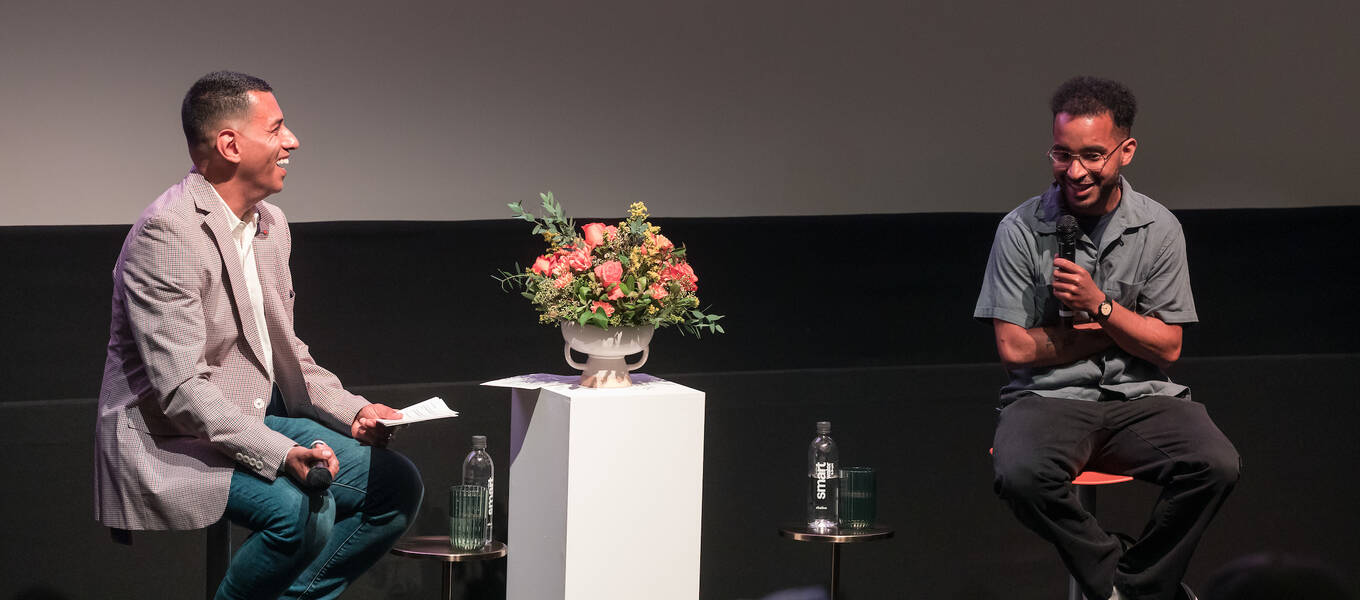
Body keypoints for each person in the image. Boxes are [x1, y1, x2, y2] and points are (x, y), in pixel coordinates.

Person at [94, 71, 424, 599]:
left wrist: (353, 410)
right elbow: (180, 392)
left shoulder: (270, 224)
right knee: (300, 510)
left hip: (243, 418)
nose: (291, 141)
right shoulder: (169, 234)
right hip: (170, 437)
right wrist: (277, 451)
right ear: (230, 144)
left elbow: (288, 353)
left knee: (395, 486)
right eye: (275, 129)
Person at [974, 76, 1240, 600]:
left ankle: (1134, 587)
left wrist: (1100, 305)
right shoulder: (1020, 230)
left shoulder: (1159, 228)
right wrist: (1119, 332)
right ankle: (1120, 578)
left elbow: (1167, 349)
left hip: (1140, 399)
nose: (1075, 171)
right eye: (1062, 154)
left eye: (1092, 155)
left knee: (1216, 464)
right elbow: (1015, 351)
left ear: (1126, 150)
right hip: (1048, 397)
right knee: (1021, 473)